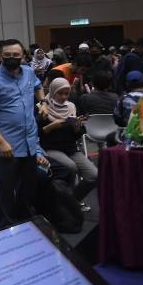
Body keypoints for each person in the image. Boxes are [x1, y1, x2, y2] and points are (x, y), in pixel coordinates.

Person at [0, 39, 51, 227]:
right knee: (6, 189)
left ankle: (24, 222)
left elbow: (38, 86)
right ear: (1, 56)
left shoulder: (28, 71)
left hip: (29, 142)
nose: (12, 58)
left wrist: (43, 102)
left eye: (16, 55)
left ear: (23, 56)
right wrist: (1, 141)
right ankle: (7, 226)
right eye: (7, 55)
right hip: (6, 145)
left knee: (28, 187)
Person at [38, 78, 97, 209]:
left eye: (67, 93)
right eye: (60, 93)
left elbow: (76, 134)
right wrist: (49, 128)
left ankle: (71, 200)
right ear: (53, 92)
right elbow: (35, 133)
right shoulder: (43, 108)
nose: (64, 97)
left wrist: (78, 128)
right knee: (70, 167)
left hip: (70, 148)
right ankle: (66, 203)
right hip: (50, 148)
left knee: (93, 175)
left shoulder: (71, 106)